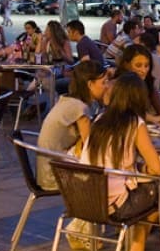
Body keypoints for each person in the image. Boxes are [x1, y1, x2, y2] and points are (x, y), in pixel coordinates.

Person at [79, 72, 160, 251]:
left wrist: (142, 169)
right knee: (159, 186)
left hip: (84, 202)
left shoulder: (100, 119)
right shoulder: (135, 123)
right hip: (114, 207)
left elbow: (114, 163)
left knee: (147, 187)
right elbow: (157, 169)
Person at [36, 60, 109, 189]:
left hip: (47, 170)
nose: (107, 86)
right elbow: (91, 146)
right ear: (90, 84)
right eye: (103, 82)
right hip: (55, 176)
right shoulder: (79, 108)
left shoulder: (68, 100)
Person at [115, 43, 160, 124]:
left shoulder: (148, 84)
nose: (143, 70)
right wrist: (153, 118)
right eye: (138, 65)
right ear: (126, 65)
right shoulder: (117, 85)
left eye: (146, 65)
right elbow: (126, 112)